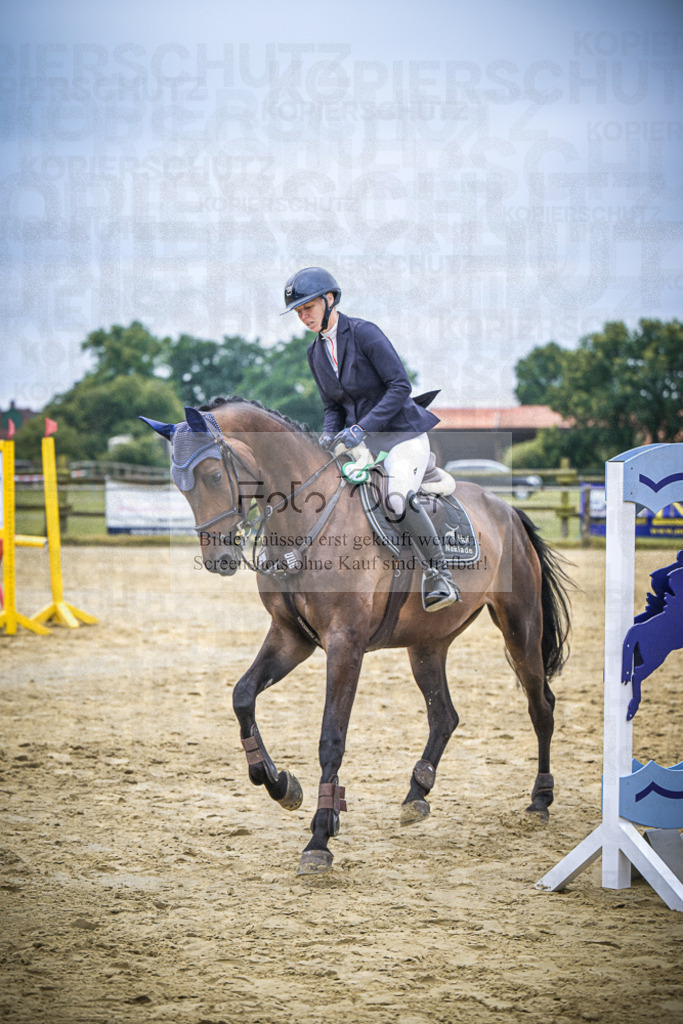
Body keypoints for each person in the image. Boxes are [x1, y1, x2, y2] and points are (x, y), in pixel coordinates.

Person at [281, 266, 460, 611]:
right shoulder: (314, 353)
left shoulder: (364, 333)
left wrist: (362, 428)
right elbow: (332, 405)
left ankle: (439, 575)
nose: (303, 316)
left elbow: (400, 386)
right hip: (358, 446)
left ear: (329, 300)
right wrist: (329, 436)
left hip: (399, 436)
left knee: (396, 498)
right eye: (298, 311)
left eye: (308, 307)